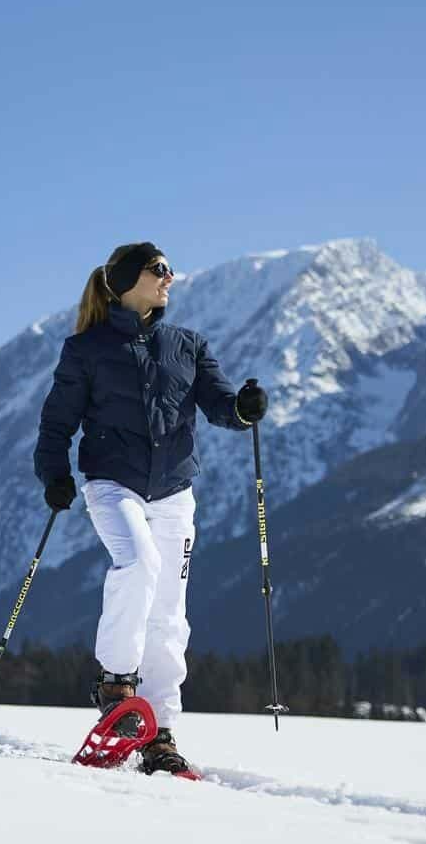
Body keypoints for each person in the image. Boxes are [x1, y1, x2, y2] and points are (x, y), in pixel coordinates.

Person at [33, 242, 267, 775]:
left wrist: (243, 410)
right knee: (139, 564)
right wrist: (54, 476)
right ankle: (117, 687)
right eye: (158, 269)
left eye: (169, 269)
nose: (170, 277)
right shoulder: (86, 350)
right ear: (124, 279)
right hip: (113, 486)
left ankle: (160, 732)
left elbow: (221, 406)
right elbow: (56, 424)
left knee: (168, 613)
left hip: (175, 493)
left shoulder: (186, 344)